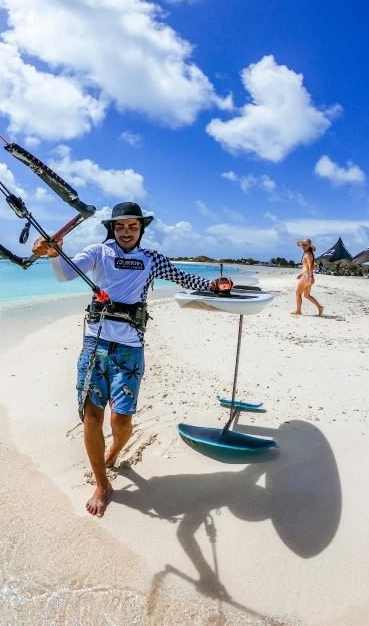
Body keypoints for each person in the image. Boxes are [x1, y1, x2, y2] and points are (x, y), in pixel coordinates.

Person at [32, 202, 228, 517]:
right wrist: (54, 253)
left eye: (133, 227)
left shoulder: (151, 260)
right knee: (92, 418)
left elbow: (182, 278)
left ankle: (115, 449)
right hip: (95, 346)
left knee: (120, 420)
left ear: (141, 229)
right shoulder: (98, 252)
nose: (126, 232)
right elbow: (65, 275)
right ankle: (102, 484)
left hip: (129, 350)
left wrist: (213, 285)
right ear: (112, 228)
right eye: (121, 226)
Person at [291, 238, 324, 316]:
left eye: (305, 245)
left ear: (309, 246)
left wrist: (311, 276)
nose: (303, 246)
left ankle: (298, 311)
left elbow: (309, 266)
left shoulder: (308, 254)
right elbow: (309, 266)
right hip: (307, 276)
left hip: (307, 276)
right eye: (303, 245)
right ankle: (320, 307)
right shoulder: (308, 254)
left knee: (298, 293)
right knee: (306, 295)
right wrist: (301, 274)